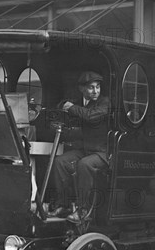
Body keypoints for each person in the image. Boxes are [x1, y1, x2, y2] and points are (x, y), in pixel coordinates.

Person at [47, 71, 110, 223]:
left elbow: (91, 116)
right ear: (82, 89)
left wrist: (71, 108)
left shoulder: (105, 102)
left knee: (84, 165)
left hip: (103, 152)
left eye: (98, 87)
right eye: (91, 88)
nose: (95, 91)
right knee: (60, 162)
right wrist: (61, 110)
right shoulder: (80, 102)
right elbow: (65, 107)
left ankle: (83, 210)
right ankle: (64, 205)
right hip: (86, 149)